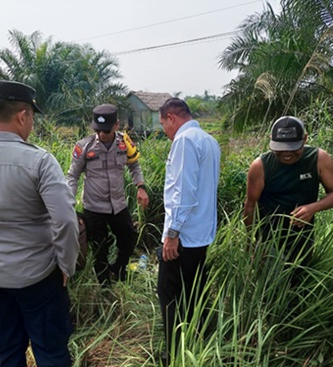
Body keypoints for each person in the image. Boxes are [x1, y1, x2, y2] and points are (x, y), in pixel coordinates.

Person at [0, 80, 79, 367]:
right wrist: (66, 265)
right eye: (31, 117)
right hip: (38, 276)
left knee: (6, 353)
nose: (31, 123)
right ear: (22, 115)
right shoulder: (40, 162)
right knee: (51, 353)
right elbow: (66, 221)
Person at [157, 98, 221, 365]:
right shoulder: (209, 140)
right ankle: (201, 341)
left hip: (183, 236)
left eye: (163, 125)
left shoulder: (184, 141)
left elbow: (184, 193)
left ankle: (172, 353)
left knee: (169, 294)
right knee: (195, 291)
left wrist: (172, 234)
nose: (165, 131)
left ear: (171, 117)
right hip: (201, 235)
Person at [244, 116, 333, 278]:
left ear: (305, 139)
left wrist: (312, 208)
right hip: (270, 243)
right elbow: (250, 205)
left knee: (300, 286)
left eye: (293, 147)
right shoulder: (260, 166)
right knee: (270, 292)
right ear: (271, 140)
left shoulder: (318, 159)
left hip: (304, 239)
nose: (287, 153)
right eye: (281, 148)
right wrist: (251, 244)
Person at [67, 103, 149, 286]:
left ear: (116, 125)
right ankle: (105, 286)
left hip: (118, 205)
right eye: (98, 130)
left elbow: (134, 165)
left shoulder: (124, 143)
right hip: (94, 208)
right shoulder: (84, 146)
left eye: (106, 130)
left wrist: (141, 186)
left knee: (128, 240)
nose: (102, 134)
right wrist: (69, 203)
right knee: (99, 248)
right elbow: (72, 176)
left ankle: (118, 270)